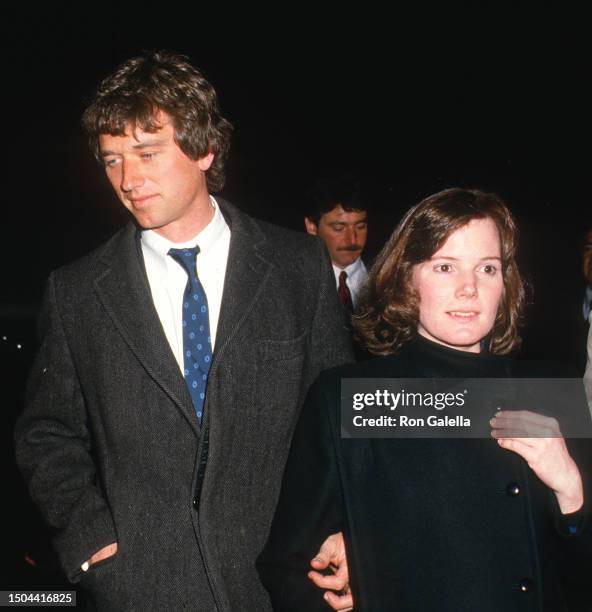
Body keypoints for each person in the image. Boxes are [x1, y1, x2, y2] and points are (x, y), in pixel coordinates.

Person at [14, 51, 353, 611]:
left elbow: (340, 419)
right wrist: (90, 540)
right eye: (112, 160)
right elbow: (46, 433)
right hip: (143, 588)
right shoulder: (76, 293)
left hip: (285, 582)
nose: (127, 179)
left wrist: (345, 532)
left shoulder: (298, 269)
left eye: (146, 153)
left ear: (205, 149)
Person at [258, 188, 592, 611]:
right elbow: (288, 568)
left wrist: (571, 491)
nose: (469, 288)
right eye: (445, 267)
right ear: (406, 279)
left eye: (487, 268)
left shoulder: (551, 393)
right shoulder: (354, 399)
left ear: (505, 282)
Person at [304, 176, 369, 313]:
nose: (352, 240)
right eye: (339, 228)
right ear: (311, 226)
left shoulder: (390, 281)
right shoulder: (297, 283)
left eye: (360, 226)